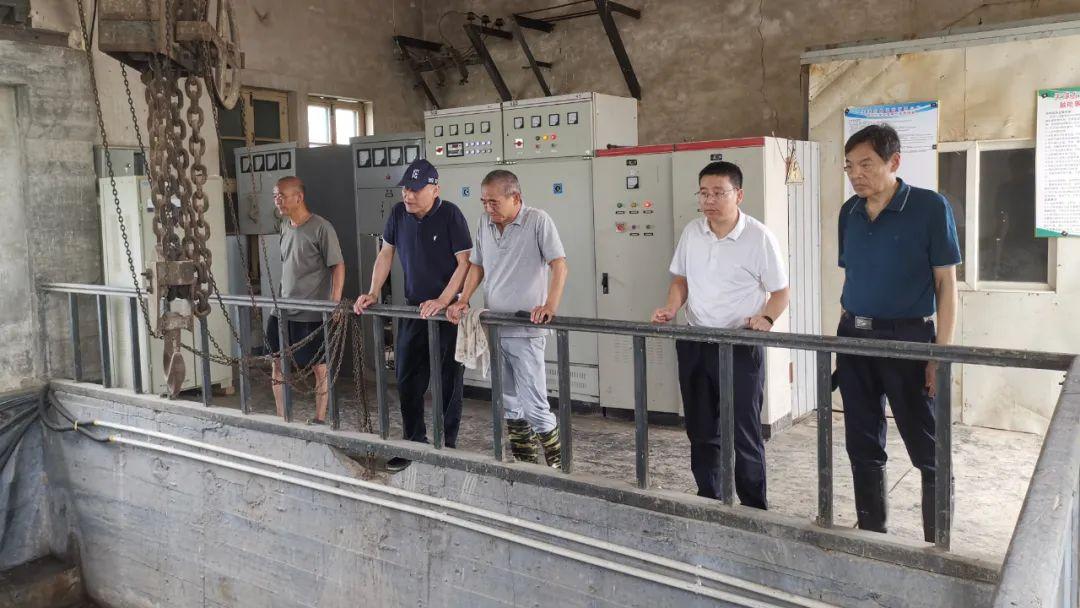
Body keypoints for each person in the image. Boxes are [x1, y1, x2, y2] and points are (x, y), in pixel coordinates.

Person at [837, 124, 960, 541]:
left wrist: (939, 354)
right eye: (849, 166)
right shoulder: (849, 212)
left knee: (928, 446)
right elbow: (853, 277)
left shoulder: (929, 207)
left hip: (907, 339)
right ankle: (873, 536)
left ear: (894, 162)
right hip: (854, 337)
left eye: (866, 164)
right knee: (862, 442)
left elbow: (946, 285)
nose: (856, 174)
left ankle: (937, 545)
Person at [651, 161, 789, 510]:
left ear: (738, 195)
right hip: (696, 341)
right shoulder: (692, 232)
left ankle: (754, 506)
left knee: (744, 429)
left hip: (738, 345)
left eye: (718, 193)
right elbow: (680, 280)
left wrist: (766, 318)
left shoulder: (758, 237)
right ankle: (708, 497)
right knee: (700, 427)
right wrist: (671, 307)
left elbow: (780, 292)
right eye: (703, 193)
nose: (709, 200)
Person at [446, 169, 567, 467]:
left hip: (526, 331)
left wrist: (550, 305)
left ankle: (560, 467)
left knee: (535, 406)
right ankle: (525, 467)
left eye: (494, 202)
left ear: (516, 198)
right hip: (495, 328)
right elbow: (477, 265)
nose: (488, 208)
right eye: (484, 202)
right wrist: (463, 299)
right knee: (510, 404)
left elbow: (559, 265)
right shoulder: (484, 223)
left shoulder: (538, 221)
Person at [354, 159, 472, 450]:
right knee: (407, 379)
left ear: (435, 189)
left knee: (448, 382)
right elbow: (386, 254)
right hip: (413, 310)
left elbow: (465, 263)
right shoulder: (398, 214)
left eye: (416, 189)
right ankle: (414, 443)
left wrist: (443, 300)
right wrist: (373, 292)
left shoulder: (451, 215)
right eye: (405, 189)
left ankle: (446, 447)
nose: (408, 195)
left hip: (447, 314)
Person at [268, 176, 345, 424]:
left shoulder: (321, 228)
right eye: (275, 196)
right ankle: (282, 417)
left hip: (311, 311)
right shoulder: (284, 226)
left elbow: (338, 266)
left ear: (298, 197)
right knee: (277, 363)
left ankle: (320, 418)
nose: (277, 201)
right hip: (283, 308)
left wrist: (334, 302)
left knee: (319, 367)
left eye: (281, 196)